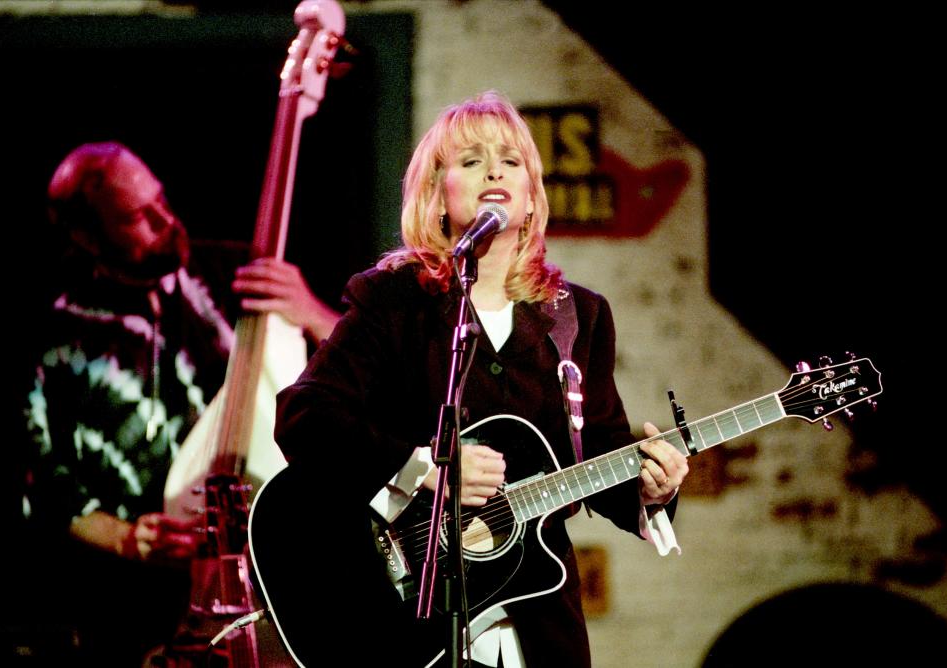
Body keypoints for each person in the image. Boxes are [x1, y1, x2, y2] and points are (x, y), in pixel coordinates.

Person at [272, 91, 689, 667]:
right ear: (437, 195)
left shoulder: (579, 316)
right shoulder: (394, 301)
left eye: (510, 161)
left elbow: (600, 450)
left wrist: (652, 489)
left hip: (538, 624)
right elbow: (304, 416)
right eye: (471, 161)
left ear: (531, 194)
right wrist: (426, 468)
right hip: (404, 618)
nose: (494, 170)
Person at [20, 141, 340, 664]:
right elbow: (38, 478)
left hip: (263, 577)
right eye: (137, 218)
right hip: (131, 602)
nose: (166, 220)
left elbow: (354, 379)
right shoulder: (56, 333)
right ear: (85, 235)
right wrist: (126, 538)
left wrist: (313, 313)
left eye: (161, 199)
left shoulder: (238, 276)